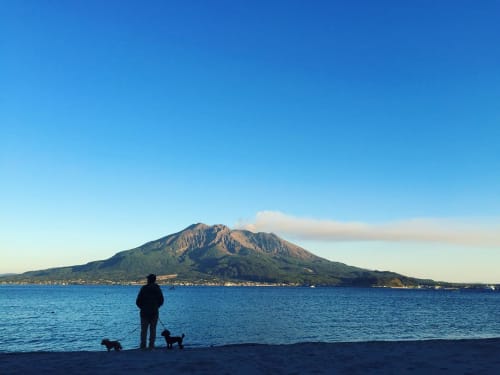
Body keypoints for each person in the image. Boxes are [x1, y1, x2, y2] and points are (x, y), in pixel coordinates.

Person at [136, 273, 164, 349]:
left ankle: (143, 346)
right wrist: (156, 307)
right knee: (153, 330)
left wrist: (142, 308)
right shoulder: (157, 289)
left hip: (144, 313)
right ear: (154, 280)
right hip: (154, 313)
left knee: (144, 330)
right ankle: (151, 345)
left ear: (148, 280)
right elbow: (161, 301)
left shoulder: (144, 288)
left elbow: (138, 301)